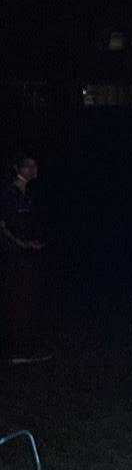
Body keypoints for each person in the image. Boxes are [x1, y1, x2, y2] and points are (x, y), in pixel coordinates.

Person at [0, 154, 51, 365]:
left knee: (28, 298)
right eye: (29, 166)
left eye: (35, 165)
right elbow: (4, 225)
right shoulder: (10, 194)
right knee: (18, 299)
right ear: (18, 168)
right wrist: (21, 243)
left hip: (27, 254)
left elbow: (29, 223)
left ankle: (24, 346)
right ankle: (18, 350)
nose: (34, 169)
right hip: (14, 255)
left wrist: (33, 242)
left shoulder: (27, 194)